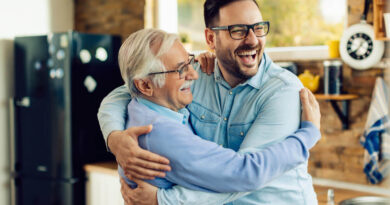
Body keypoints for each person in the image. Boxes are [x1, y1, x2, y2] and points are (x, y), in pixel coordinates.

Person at [98, 0, 322, 204]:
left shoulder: (282, 91)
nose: (253, 40)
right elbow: (127, 91)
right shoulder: (192, 75)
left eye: (259, 28)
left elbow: (246, 175)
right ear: (210, 39)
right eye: (238, 31)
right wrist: (114, 138)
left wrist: (164, 200)